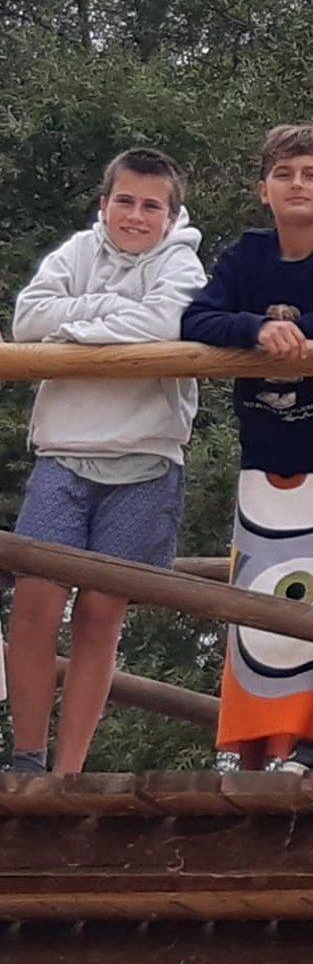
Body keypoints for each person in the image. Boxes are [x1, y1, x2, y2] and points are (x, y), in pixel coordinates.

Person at [181, 124, 313, 773]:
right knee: (260, 611)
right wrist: (256, 329)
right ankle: (257, 748)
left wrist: (298, 335)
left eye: (312, 174)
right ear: (263, 189)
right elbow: (196, 318)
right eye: (285, 174)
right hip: (266, 465)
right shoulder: (245, 256)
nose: (298, 184)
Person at [6, 147, 206, 773]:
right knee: (35, 603)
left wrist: (73, 327)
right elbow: (28, 319)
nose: (136, 216)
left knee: (100, 616)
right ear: (104, 203)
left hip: (146, 458)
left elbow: (166, 322)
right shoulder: (75, 252)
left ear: (171, 216)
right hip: (64, 452)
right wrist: (110, 317)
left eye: (151, 206)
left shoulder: (183, 262)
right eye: (125, 201)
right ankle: (27, 759)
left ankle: (68, 774)